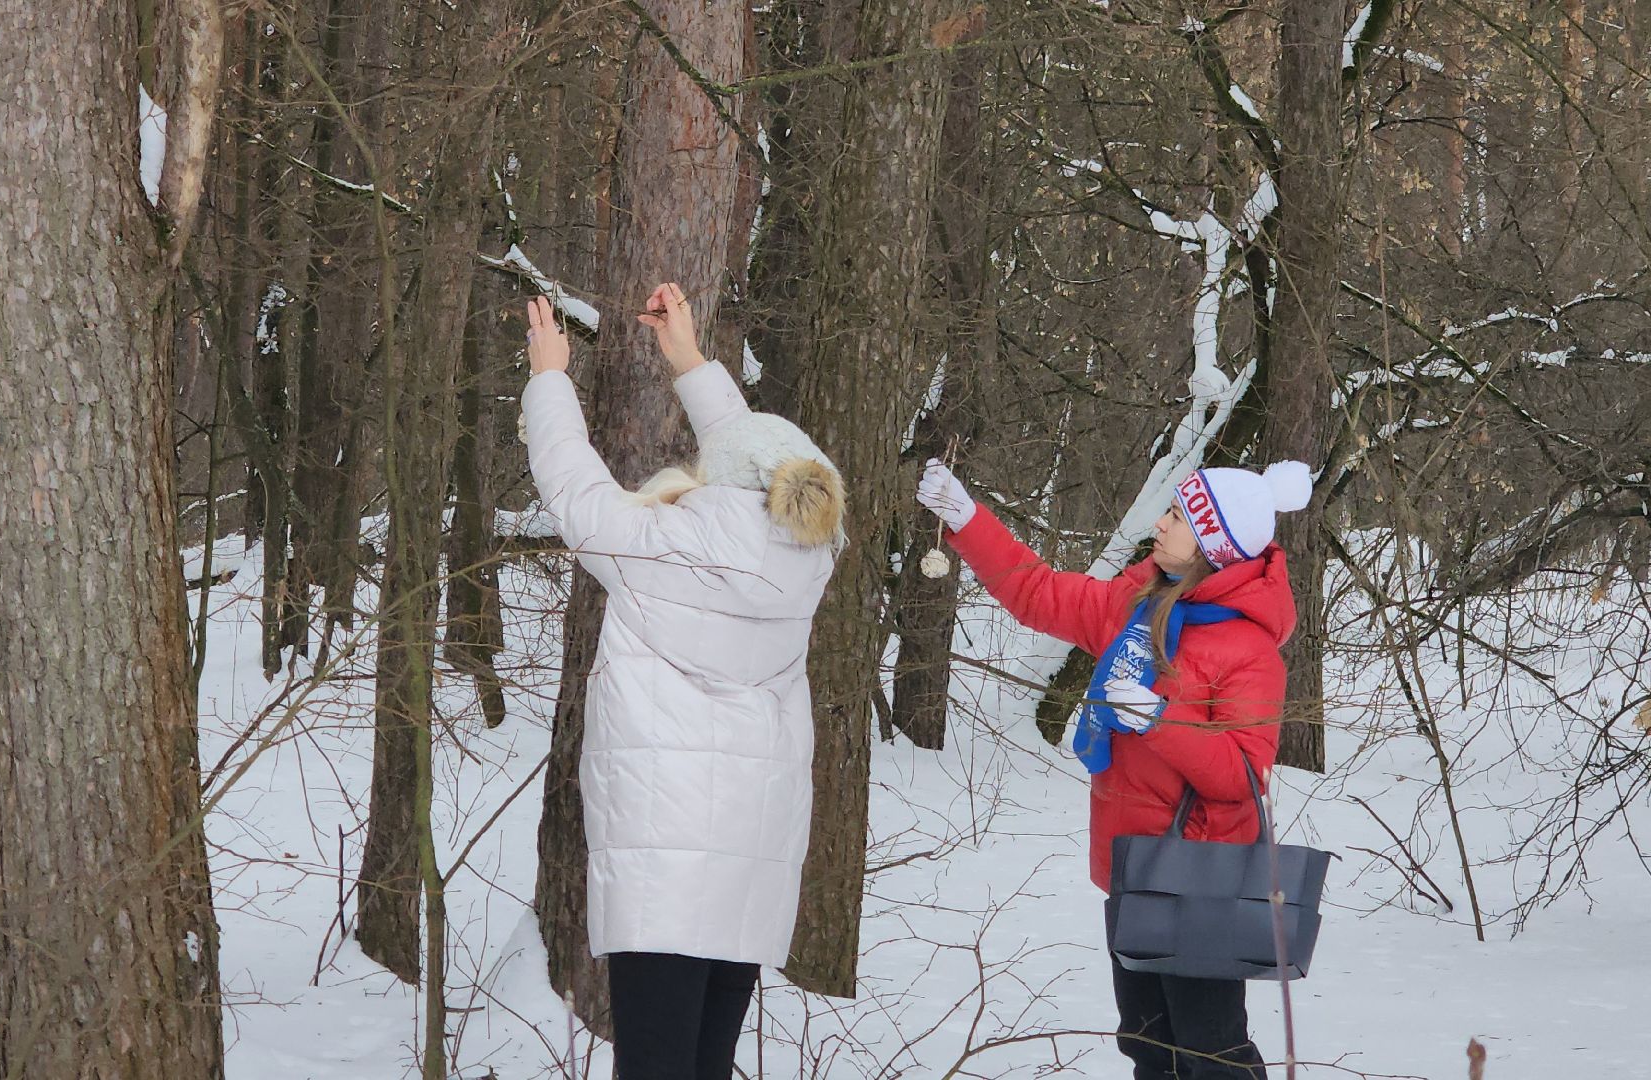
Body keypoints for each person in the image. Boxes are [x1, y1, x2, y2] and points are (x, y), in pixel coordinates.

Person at [521, 284, 845, 1080]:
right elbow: (748, 450)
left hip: (662, 865)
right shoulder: (812, 561)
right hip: (750, 863)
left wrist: (550, 377)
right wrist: (690, 361)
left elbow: (573, 489)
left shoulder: (657, 546)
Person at [916, 457, 1311, 1080]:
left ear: (1213, 543)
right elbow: (1038, 593)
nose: (1160, 522)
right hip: (1134, 868)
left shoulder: (1248, 651)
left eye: (1177, 516)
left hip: (1201, 880)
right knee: (1147, 1044)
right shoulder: (1136, 605)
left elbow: (1239, 776)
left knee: (1210, 1050)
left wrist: (1159, 719)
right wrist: (968, 521)